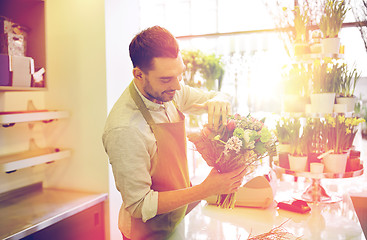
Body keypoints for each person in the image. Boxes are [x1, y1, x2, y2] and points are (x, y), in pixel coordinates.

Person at [102, 26, 246, 240]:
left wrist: (219, 101)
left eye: (180, 75)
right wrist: (206, 189)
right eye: (167, 79)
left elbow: (215, 96)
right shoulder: (124, 129)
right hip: (147, 234)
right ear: (138, 75)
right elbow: (140, 205)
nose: (178, 86)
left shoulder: (169, 90)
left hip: (178, 219)